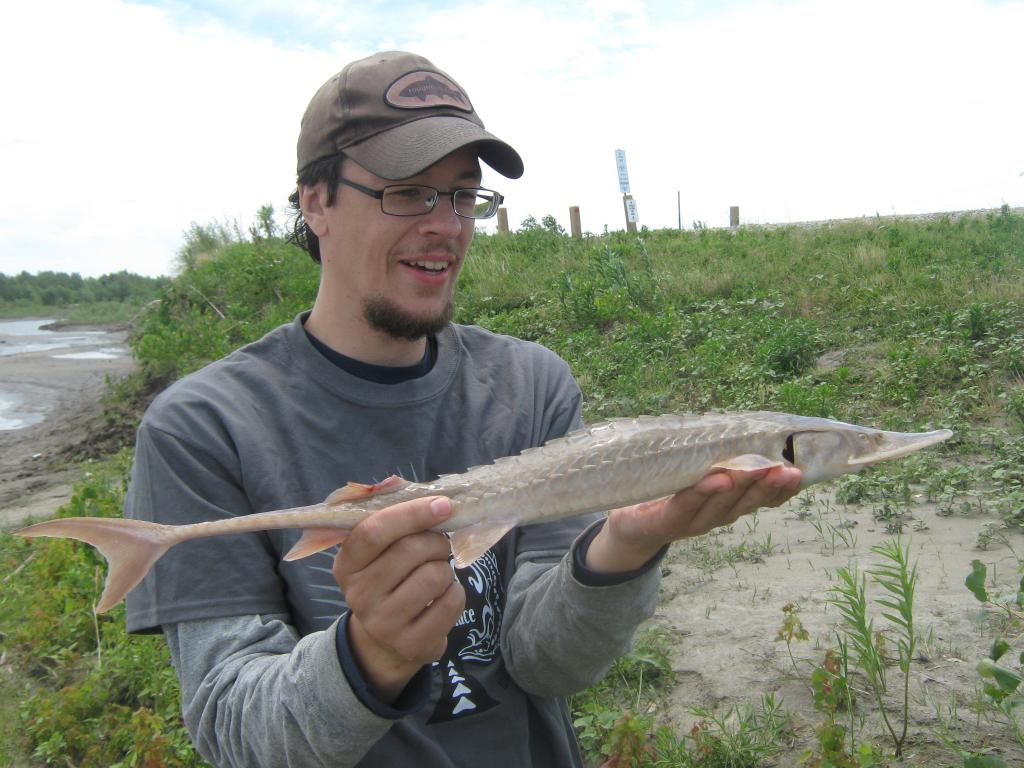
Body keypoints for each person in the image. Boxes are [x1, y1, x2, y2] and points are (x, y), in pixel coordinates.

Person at [124, 51, 801, 767]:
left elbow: (546, 667)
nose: (446, 226)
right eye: (408, 192)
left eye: (462, 196)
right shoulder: (202, 428)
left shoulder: (532, 384)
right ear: (315, 201)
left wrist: (623, 550)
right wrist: (370, 655)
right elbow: (235, 729)